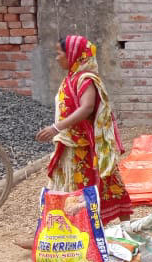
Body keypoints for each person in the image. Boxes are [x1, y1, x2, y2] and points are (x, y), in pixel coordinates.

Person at [22, 35, 132, 248]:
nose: (56, 58)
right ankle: (50, 233)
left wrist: (56, 128)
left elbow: (87, 108)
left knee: (95, 186)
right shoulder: (72, 78)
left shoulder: (86, 79)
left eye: (59, 53)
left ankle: (125, 231)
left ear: (73, 54)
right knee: (65, 189)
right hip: (71, 145)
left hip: (84, 147)